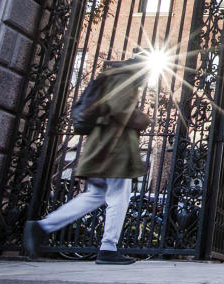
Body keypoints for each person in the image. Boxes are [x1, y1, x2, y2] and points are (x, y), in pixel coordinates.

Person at [23, 57, 149, 265]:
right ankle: (108, 248)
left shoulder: (112, 77)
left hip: (101, 146)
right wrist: (142, 119)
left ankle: (42, 227)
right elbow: (119, 110)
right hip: (114, 148)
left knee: (95, 195)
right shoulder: (123, 78)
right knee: (119, 196)